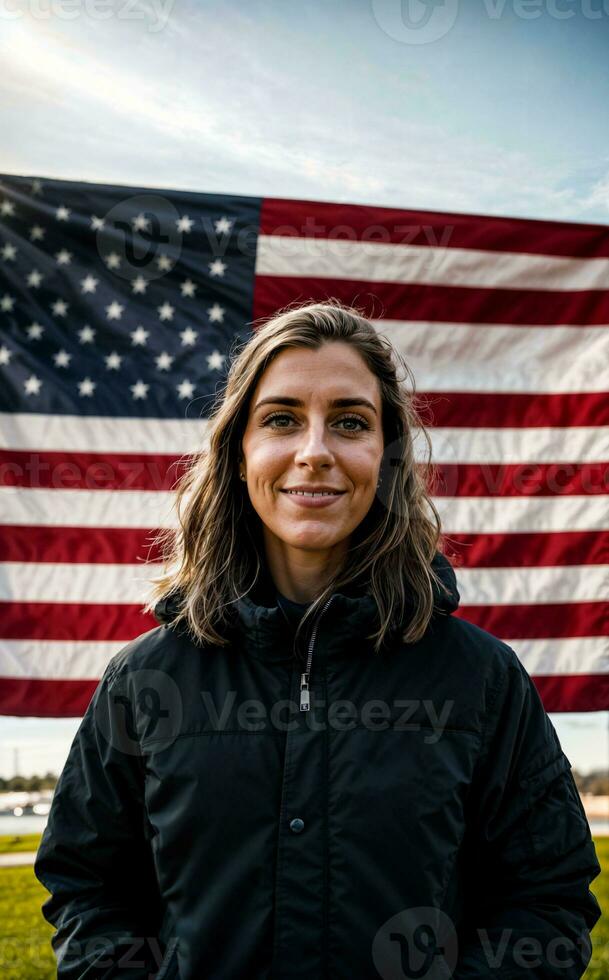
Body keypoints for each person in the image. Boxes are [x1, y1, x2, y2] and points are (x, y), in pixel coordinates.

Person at [34, 300, 601, 979]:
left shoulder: (479, 680)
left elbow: (546, 901)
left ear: (385, 458)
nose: (314, 451)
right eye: (280, 419)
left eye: (349, 422)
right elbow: (87, 889)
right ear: (238, 453)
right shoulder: (143, 680)